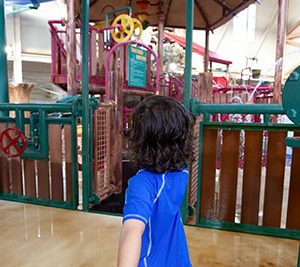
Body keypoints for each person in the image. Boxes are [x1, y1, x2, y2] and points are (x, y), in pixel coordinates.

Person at [117, 96, 194, 267]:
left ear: (139, 140)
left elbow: (132, 230)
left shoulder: (142, 183)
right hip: (179, 260)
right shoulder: (182, 172)